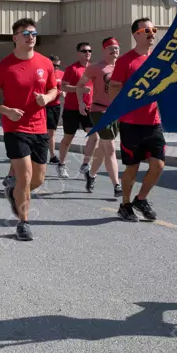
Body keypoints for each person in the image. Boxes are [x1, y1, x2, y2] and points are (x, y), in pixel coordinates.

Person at [0, 18, 58, 242]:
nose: (30, 36)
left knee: (38, 179)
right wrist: (5, 110)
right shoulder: (4, 66)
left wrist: (47, 97)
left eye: (33, 33)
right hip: (15, 127)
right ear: (15, 38)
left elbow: (54, 88)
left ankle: (13, 191)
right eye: (25, 33)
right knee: (24, 176)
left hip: (40, 127)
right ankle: (23, 223)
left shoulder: (45, 63)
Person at [109, 19, 164, 222]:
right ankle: (125, 204)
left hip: (153, 121)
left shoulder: (159, 60)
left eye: (154, 30)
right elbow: (114, 88)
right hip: (131, 122)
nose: (152, 33)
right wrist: (130, 99)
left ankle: (141, 199)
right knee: (132, 167)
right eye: (147, 30)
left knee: (158, 165)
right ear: (136, 35)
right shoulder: (126, 61)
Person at [78, 37, 123, 197]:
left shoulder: (122, 67)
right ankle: (117, 185)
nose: (114, 50)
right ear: (104, 50)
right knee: (110, 147)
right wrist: (81, 103)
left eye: (116, 48)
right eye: (110, 47)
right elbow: (80, 84)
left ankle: (91, 175)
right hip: (99, 111)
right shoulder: (96, 68)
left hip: (116, 112)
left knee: (103, 148)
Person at [57, 43, 97, 181]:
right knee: (68, 139)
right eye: (84, 51)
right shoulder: (72, 69)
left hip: (89, 108)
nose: (88, 53)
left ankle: (85, 164)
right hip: (72, 109)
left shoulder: (93, 69)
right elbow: (63, 87)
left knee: (94, 136)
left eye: (90, 51)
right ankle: (61, 164)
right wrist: (79, 89)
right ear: (78, 53)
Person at [45, 54, 64, 164]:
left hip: (55, 105)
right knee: (44, 131)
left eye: (58, 66)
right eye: (54, 65)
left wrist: (64, 92)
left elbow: (64, 86)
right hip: (44, 105)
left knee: (52, 131)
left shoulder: (62, 74)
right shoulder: (44, 74)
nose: (56, 68)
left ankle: (52, 156)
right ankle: (48, 154)